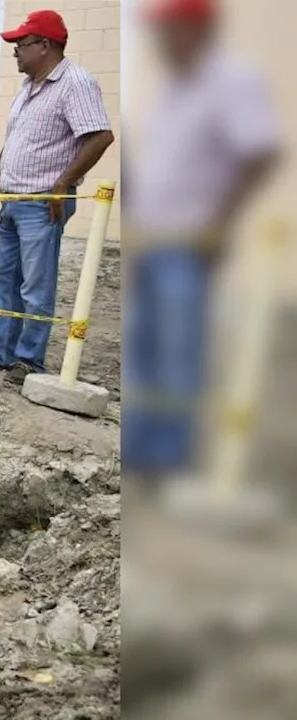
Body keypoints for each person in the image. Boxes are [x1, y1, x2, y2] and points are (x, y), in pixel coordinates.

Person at [125, 0, 278, 486]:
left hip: (189, 241)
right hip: (153, 237)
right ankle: (142, 445)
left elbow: (261, 152)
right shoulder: (174, 84)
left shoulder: (232, 80)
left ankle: (170, 456)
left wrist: (221, 222)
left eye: (169, 29)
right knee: (144, 344)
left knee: (178, 347)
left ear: (194, 29)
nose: (160, 40)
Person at [0, 10, 115, 384]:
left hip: (40, 202)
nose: (15, 51)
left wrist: (63, 184)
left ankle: (29, 359)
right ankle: (1, 354)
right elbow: (16, 142)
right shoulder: (30, 86)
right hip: (13, 199)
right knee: (4, 280)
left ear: (44, 46)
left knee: (35, 285)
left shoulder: (75, 83)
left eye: (21, 44)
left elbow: (99, 136)